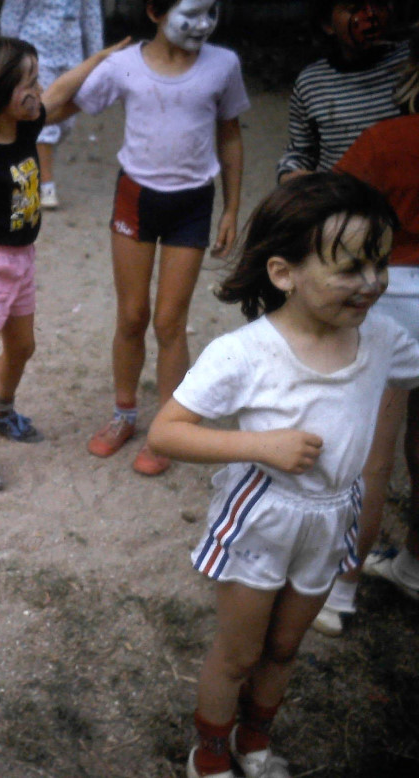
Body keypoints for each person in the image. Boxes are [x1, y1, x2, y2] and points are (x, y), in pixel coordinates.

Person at [147, 173, 419, 778]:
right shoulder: (244, 353)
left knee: (285, 647)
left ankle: (254, 744)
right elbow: (166, 432)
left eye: (380, 263)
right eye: (350, 267)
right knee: (240, 653)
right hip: (263, 517)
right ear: (283, 273)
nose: (373, 282)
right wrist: (260, 446)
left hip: (334, 515)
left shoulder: (382, 338)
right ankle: (209, 756)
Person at [0, 34, 129, 491]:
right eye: (28, 83)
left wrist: (99, 58)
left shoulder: (26, 126)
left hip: (20, 260)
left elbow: (62, 89)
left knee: (22, 347)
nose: (38, 90)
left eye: (36, 79)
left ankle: (0, 411)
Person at [75, 0, 248, 476]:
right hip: (135, 197)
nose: (203, 24)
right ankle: (124, 413)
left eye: (212, 12)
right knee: (132, 315)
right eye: (191, 13)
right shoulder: (124, 66)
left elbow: (230, 135)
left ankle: (168, 428)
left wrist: (231, 208)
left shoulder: (223, 65)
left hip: (192, 203)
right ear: (154, 11)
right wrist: (90, 64)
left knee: (171, 322)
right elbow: (74, 100)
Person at [314, 27, 419, 634]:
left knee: (373, 459)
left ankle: (339, 592)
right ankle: (413, 565)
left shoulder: (385, 140)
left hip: (394, 297)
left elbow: (332, 211)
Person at [278, 1, 409, 183]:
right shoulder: (312, 82)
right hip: (342, 195)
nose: (369, 15)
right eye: (354, 8)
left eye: (377, 3)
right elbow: (302, 152)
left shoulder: (410, 64)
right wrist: (290, 176)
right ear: (327, 24)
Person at [0, 0, 105, 209]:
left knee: (65, 124)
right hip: (34, 53)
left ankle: (30, 170)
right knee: (40, 119)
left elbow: (91, 20)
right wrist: (10, 56)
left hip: (72, 55)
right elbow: (12, 14)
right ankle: (44, 186)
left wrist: (97, 61)